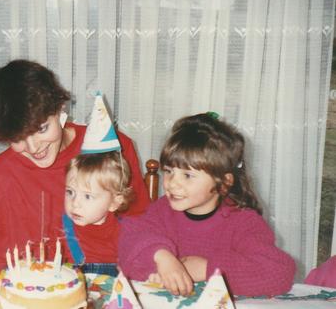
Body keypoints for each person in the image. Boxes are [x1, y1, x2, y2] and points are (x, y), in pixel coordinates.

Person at [0, 60, 151, 289]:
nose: (33, 147)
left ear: (59, 109)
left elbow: (143, 228)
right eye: (17, 138)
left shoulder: (113, 151)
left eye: (41, 129)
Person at [117, 113, 295, 297]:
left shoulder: (243, 221)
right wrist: (161, 258)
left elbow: (280, 273)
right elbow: (129, 246)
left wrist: (206, 269)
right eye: (169, 171)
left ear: (223, 183)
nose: (171, 183)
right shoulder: (161, 211)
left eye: (187, 175)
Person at [62, 92, 135, 276]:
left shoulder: (128, 234)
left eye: (88, 196)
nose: (75, 203)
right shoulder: (59, 232)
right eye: (70, 192)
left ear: (114, 202)